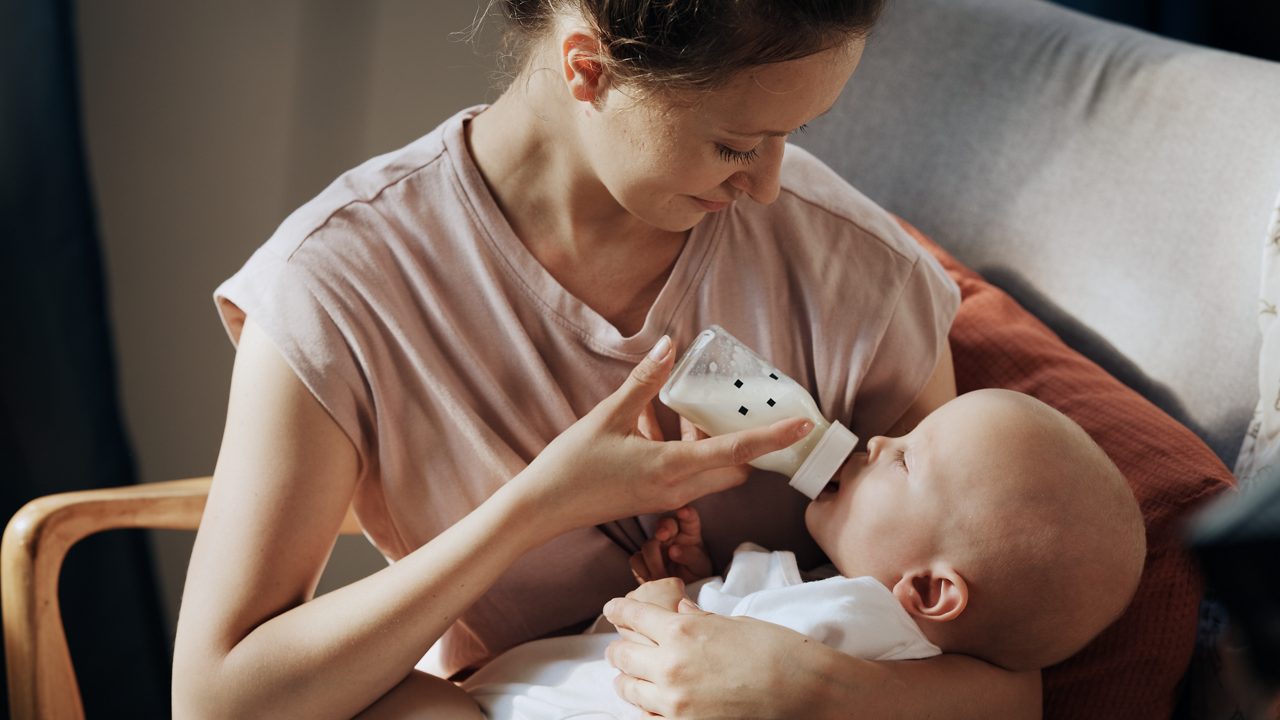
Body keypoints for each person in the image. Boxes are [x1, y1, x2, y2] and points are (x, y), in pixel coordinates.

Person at [171, 1, 1046, 717]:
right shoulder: (339, 288)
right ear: (587, 65)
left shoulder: (859, 273)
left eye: (797, 131)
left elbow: (1005, 677)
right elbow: (217, 702)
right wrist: (537, 507)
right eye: (737, 144)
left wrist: (812, 687)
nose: (769, 186)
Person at [397, 389, 1146, 719]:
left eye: (908, 461)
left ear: (929, 592)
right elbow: (733, 634)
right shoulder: (874, 633)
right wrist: (692, 578)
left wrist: (663, 601)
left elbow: (679, 651)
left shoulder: (854, 619)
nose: (881, 439)